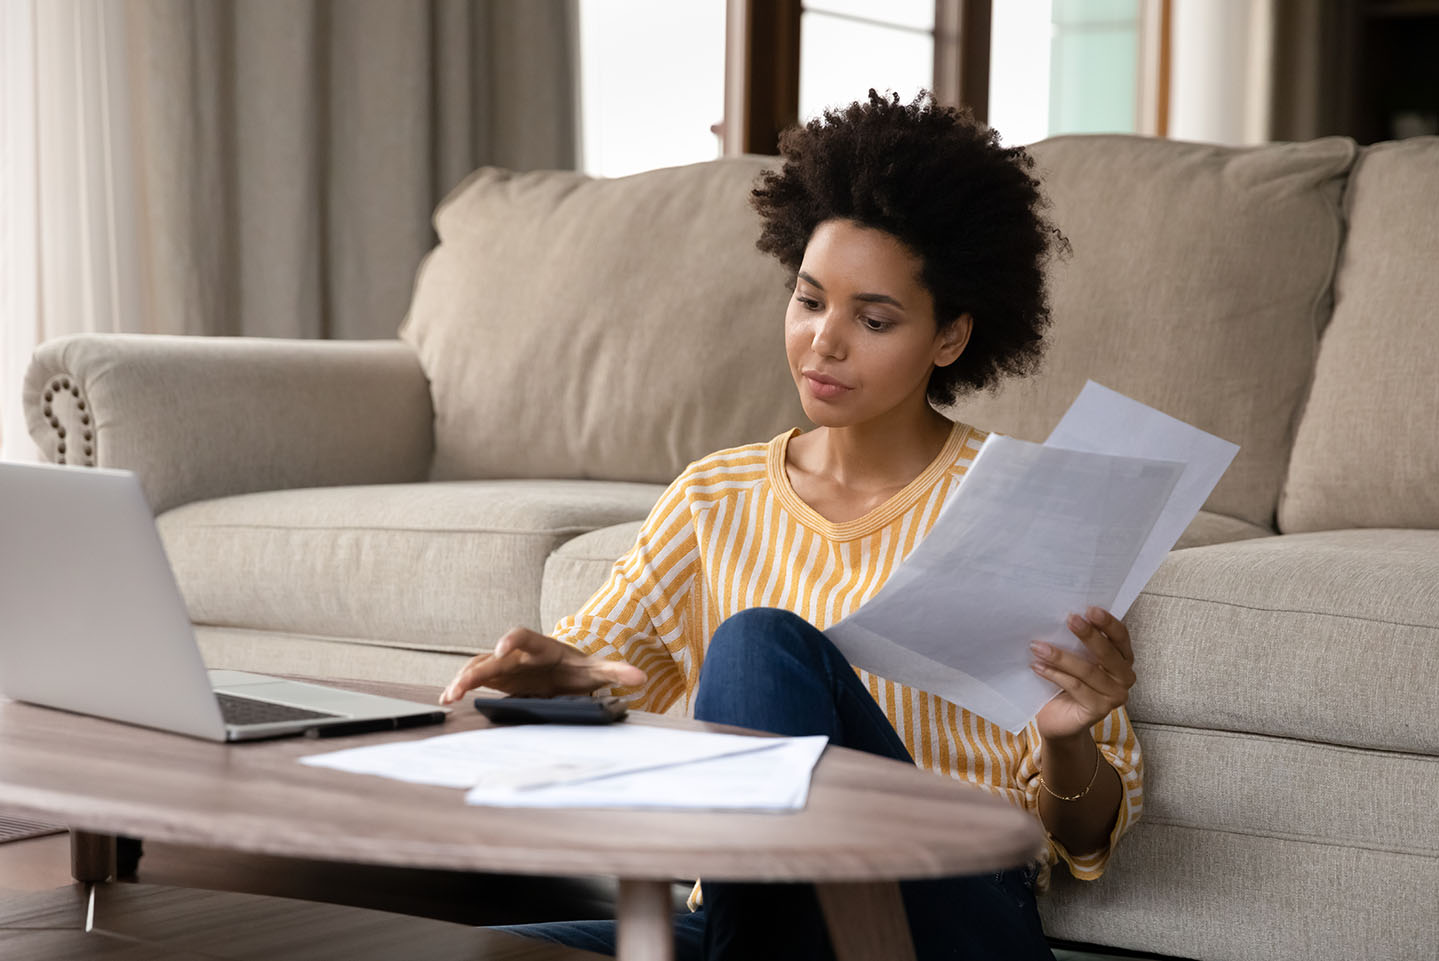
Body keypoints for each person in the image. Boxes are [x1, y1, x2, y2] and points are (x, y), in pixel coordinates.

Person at [439, 90, 1143, 961]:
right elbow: (614, 668)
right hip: (752, 916)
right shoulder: (715, 496)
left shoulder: (1024, 503)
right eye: (809, 301)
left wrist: (1064, 737)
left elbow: (1085, 841)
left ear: (951, 335)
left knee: (756, 645)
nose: (824, 341)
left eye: (872, 318)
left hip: (948, 913)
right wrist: (558, 670)